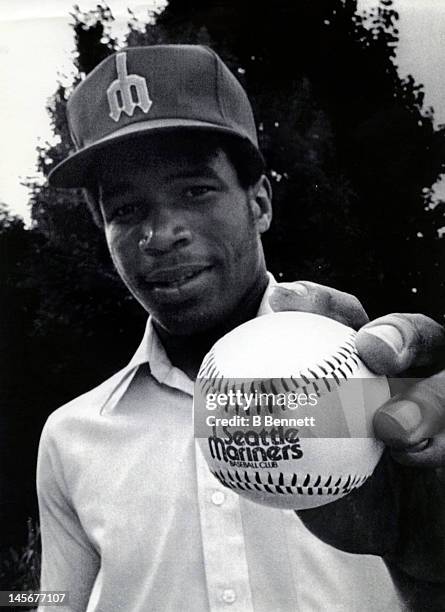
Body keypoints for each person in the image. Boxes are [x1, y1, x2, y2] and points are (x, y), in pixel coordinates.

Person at [37, 45, 445, 611]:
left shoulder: (374, 388)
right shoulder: (71, 434)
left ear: (259, 202)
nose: (161, 234)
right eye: (126, 210)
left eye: (195, 191)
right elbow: (53, 598)